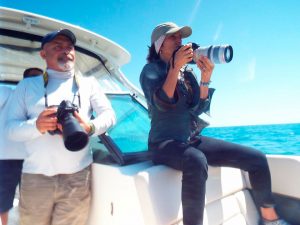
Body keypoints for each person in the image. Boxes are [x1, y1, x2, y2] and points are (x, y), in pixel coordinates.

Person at [139, 22, 291, 225]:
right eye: (173, 37)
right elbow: (162, 104)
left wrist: (205, 79)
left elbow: (198, 110)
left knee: (257, 158)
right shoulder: (150, 71)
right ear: (159, 44)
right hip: (163, 143)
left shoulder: (187, 74)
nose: (180, 41)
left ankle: (270, 218)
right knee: (196, 159)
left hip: (189, 139)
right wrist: (174, 68)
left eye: (180, 37)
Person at [5, 29, 116, 225]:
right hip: (35, 178)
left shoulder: (89, 84)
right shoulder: (27, 86)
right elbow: (9, 130)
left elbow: (110, 115)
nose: (66, 51)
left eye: (69, 47)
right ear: (43, 54)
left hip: (77, 177)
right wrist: (37, 125)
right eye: (58, 47)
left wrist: (89, 126)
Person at [0, 67, 43, 225]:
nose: (36, 83)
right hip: (6, 159)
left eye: (39, 80)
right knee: (3, 202)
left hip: (34, 160)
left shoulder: (43, 103)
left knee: (32, 202)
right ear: (23, 81)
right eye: (32, 79)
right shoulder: (7, 93)